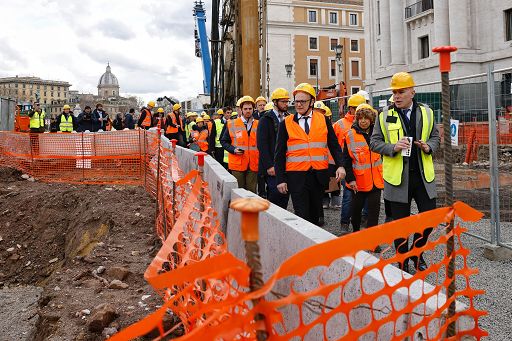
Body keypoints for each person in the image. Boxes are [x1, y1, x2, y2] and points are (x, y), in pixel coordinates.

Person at [370, 72, 440, 273]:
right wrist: (393, 147)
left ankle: (416, 253)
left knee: (429, 218)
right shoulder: (383, 115)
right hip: (397, 178)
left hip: (423, 176)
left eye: (401, 91)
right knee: (400, 225)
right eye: (394, 92)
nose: (397, 96)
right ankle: (402, 261)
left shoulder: (427, 112)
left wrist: (429, 147)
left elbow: (435, 137)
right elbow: (374, 143)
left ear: (412, 92)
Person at [275, 83, 345, 225]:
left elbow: (334, 145)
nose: (299, 105)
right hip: (296, 177)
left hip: (318, 175)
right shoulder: (286, 123)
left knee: (315, 214)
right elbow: (279, 153)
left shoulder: (323, 120)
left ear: (312, 102)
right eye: (296, 101)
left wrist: (341, 165)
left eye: (303, 101)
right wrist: (280, 179)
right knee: (301, 215)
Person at [343, 104, 383, 233]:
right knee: (356, 211)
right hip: (358, 182)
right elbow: (346, 160)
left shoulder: (378, 133)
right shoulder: (349, 135)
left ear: (371, 119)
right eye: (361, 118)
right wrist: (351, 179)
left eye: (366, 118)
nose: (364, 121)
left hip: (376, 181)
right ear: (357, 119)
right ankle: (356, 234)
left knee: (374, 213)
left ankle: (372, 241)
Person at [333, 93, 367, 232]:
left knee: (365, 195)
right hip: (347, 165)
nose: (360, 111)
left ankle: (363, 220)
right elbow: (333, 145)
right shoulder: (340, 124)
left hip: (364, 167)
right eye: (357, 109)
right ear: (351, 109)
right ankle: (344, 224)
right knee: (348, 196)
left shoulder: (368, 123)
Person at [257, 88, 290, 209]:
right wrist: (269, 166)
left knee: (285, 194)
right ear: (275, 102)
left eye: (287, 101)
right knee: (275, 194)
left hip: (286, 165)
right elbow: (262, 145)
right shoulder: (266, 119)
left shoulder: (289, 118)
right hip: (272, 166)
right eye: (283, 102)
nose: (286, 104)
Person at [220, 96, 259, 192]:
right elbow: (223, 141)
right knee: (239, 192)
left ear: (253, 109)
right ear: (241, 110)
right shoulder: (231, 123)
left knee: (251, 192)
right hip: (237, 163)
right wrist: (233, 150)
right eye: (245, 109)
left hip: (253, 164)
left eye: (250, 109)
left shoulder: (259, 124)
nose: (248, 111)